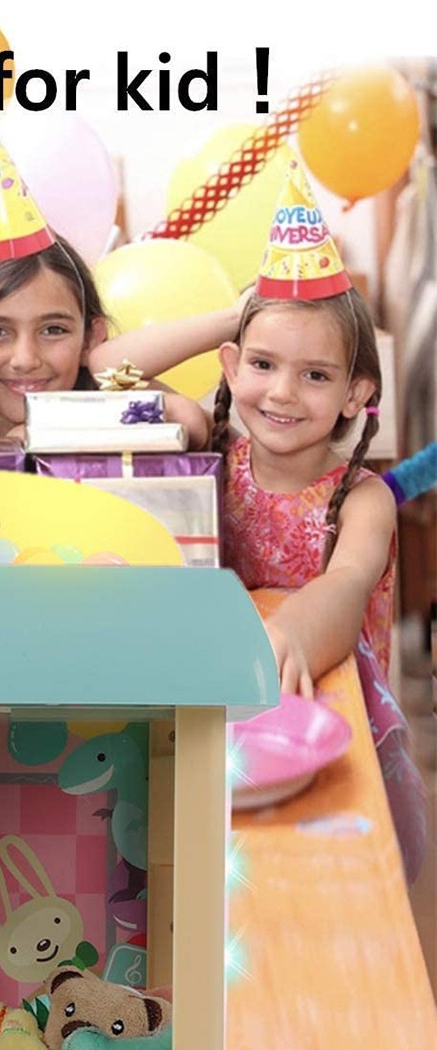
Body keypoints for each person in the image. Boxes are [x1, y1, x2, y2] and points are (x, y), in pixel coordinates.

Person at [206, 165, 428, 880]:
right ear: (231, 366)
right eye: (263, 363)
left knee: (328, 882)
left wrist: (289, 635)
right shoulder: (205, 457)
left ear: (356, 394)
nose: (281, 392)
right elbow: (106, 364)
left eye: (316, 374)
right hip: (233, 707)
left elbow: (348, 583)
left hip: (329, 717)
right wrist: (234, 315)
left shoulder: (364, 499)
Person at [0, 234, 214, 446]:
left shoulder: (111, 394)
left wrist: (43, 426)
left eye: (53, 330)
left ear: (89, 340)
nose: (26, 360)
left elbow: (187, 417)